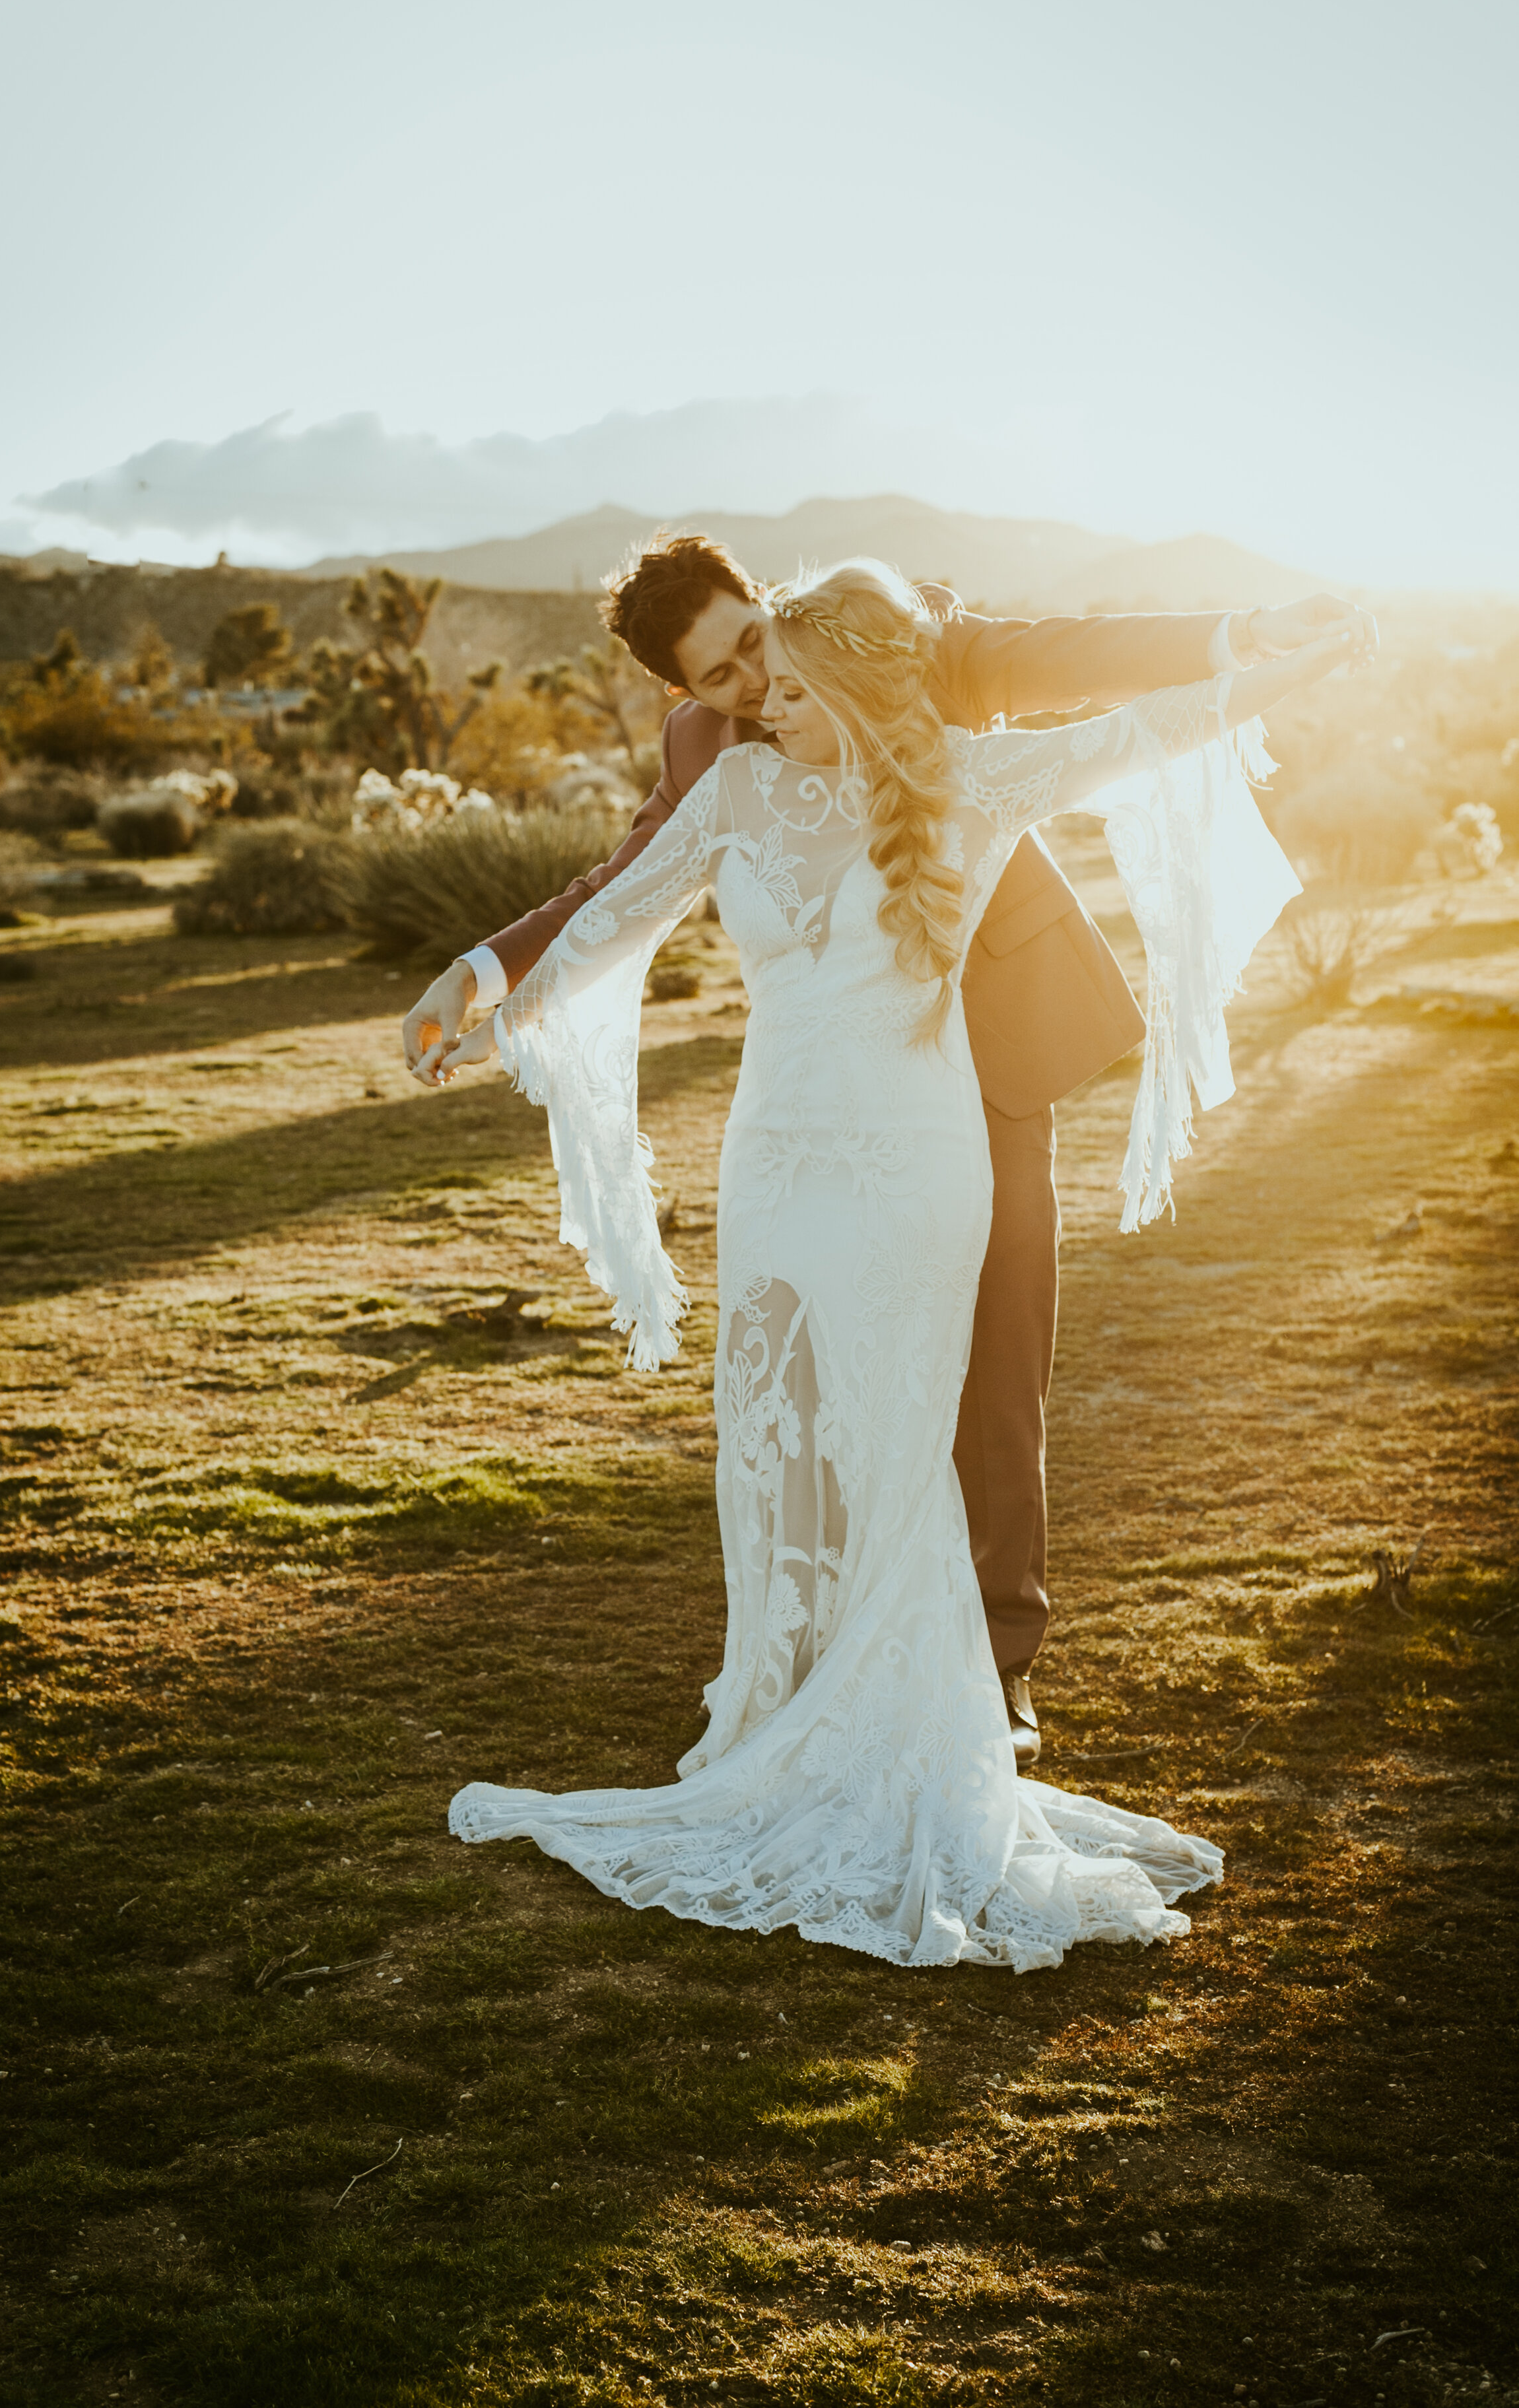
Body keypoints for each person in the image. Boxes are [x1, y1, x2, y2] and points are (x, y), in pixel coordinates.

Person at [439, 559, 1357, 1971]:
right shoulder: (730, 774)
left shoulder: (940, 709)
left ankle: (972, 1688)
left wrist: (1257, 651)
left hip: (955, 1097)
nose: (758, 702)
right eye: (729, 688)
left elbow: (1101, 691)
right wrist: (488, 979)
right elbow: (621, 896)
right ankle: (793, 1687)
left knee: (966, 1402)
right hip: (780, 1150)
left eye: (770, 665)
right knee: (775, 1423)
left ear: (797, 628)